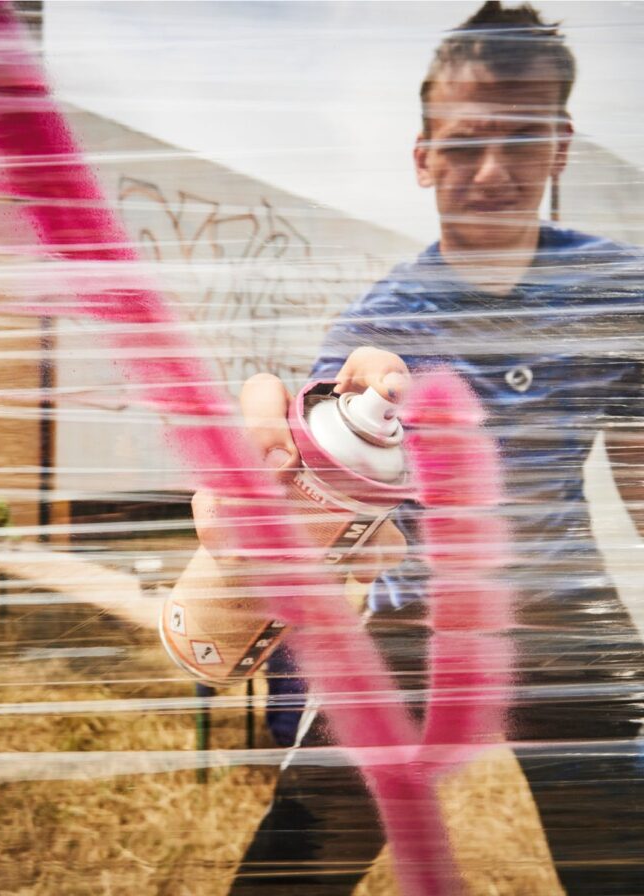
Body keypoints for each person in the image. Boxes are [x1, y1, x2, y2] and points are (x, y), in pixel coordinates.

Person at [191, 3, 644, 893]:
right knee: (292, 872)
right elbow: (320, 494)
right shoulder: (379, 326)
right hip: (414, 632)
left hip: (569, 632)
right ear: (422, 154)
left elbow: (638, 462)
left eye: (522, 140)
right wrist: (279, 496)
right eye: (466, 141)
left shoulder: (616, 290)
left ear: (561, 146)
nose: (491, 169)